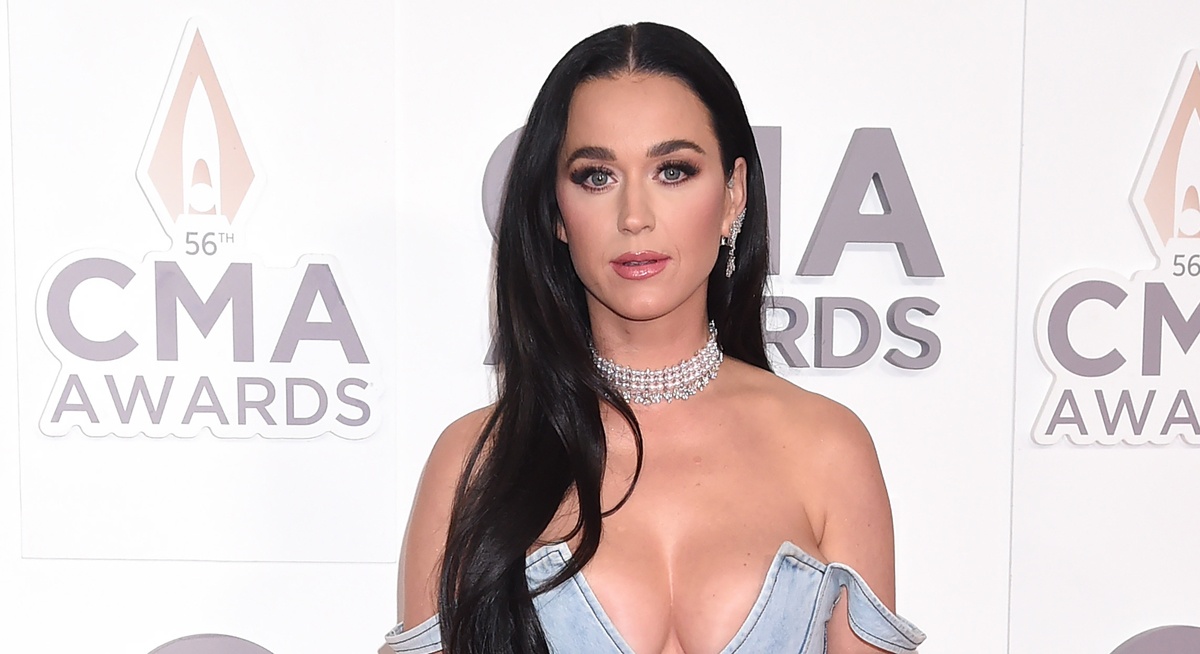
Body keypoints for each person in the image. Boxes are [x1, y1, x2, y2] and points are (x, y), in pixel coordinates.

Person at [388, 22, 925, 654]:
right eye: (596, 177)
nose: (634, 217)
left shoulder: (829, 449)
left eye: (672, 171)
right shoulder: (474, 464)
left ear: (733, 195)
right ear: (556, 212)